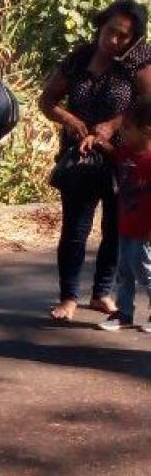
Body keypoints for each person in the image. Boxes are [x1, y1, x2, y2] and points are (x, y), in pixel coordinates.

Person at [39, 0, 151, 322]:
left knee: (116, 228)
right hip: (81, 157)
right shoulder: (79, 58)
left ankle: (102, 292)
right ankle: (68, 296)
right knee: (75, 227)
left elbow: (148, 100)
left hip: (122, 156)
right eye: (111, 31)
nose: (114, 41)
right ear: (101, 25)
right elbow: (47, 100)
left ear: (134, 40)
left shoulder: (137, 62)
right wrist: (71, 121)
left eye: (123, 37)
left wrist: (114, 125)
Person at [94, 95, 151, 332]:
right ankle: (124, 313)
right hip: (126, 225)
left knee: (146, 271)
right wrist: (99, 143)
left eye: (127, 129)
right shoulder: (126, 153)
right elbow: (113, 153)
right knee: (124, 271)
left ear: (146, 130)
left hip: (145, 230)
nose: (123, 134)